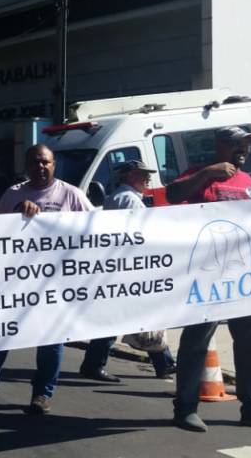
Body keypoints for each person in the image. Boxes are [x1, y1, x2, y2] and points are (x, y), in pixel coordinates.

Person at [166, 126, 251, 433]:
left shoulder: (248, 181)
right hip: (206, 277)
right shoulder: (199, 173)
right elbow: (172, 195)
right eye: (238, 145)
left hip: (243, 278)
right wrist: (207, 173)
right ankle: (185, 409)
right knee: (197, 342)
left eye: (247, 145)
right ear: (221, 145)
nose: (243, 150)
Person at [0, 144, 93, 416]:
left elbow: (96, 229)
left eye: (46, 162)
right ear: (26, 166)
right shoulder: (13, 194)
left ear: (54, 164)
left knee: (51, 342)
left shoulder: (71, 195)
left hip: (55, 285)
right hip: (15, 283)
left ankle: (42, 393)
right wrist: (18, 212)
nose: (40, 167)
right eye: (35, 163)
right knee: (0, 339)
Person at [81, 160, 176, 380]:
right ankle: (94, 365)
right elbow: (139, 237)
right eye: (143, 174)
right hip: (128, 269)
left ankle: (164, 364)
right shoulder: (129, 201)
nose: (148, 178)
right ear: (129, 175)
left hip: (122, 268)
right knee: (125, 319)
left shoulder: (120, 198)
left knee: (138, 318)